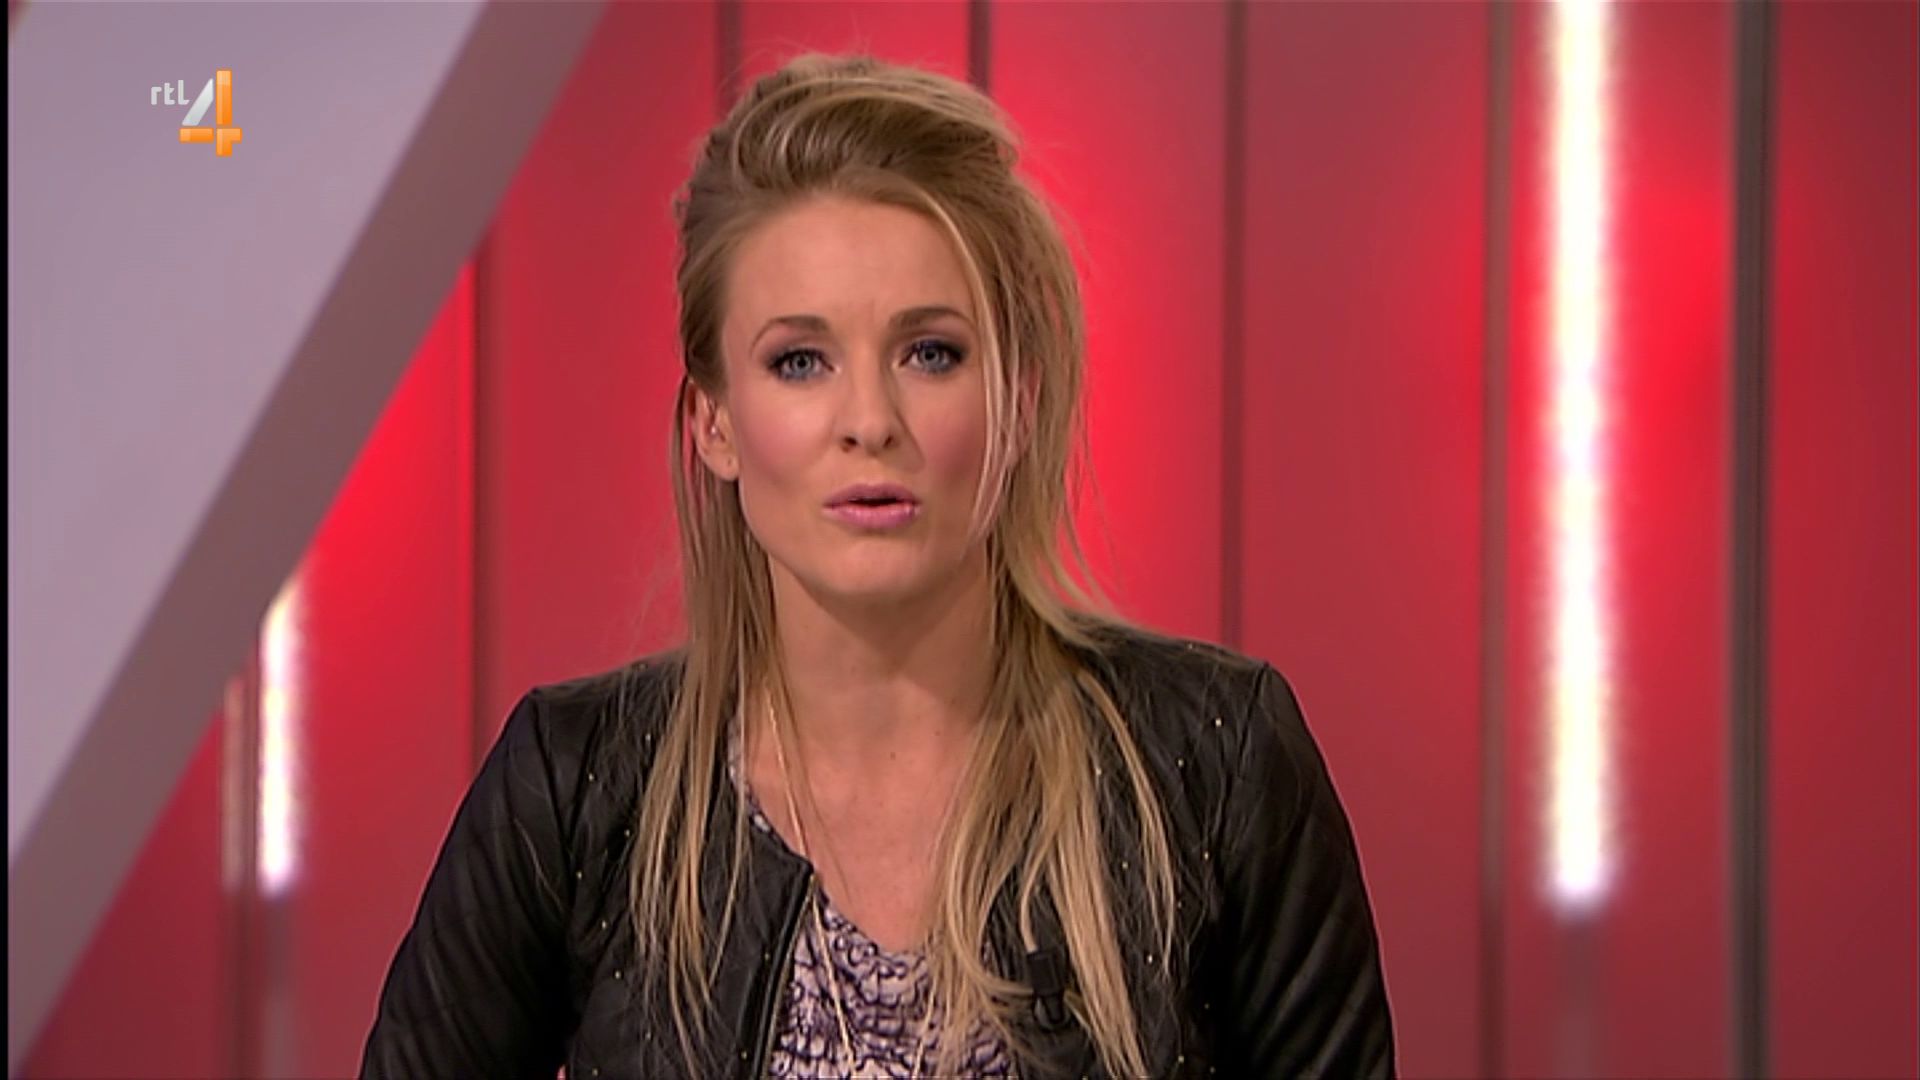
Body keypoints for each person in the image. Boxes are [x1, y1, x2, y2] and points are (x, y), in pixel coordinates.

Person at [359, 52, 1394, 1079]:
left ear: (1018, 401)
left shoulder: (1215, 768)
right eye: (799, 362)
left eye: (930, 353)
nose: (869, 421)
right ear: (716, 423)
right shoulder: (576, 790)